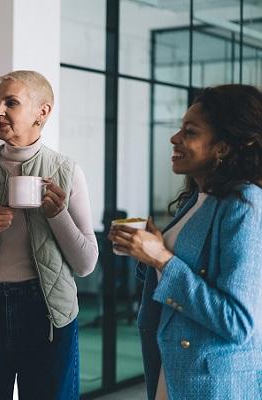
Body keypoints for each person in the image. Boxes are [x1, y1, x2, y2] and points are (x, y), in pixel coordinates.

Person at [0, 70, 98, 400]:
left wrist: (58, 215)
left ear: (43, 112)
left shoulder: (67, 171)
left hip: (48, 313)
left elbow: (86, 264)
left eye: (11, 103)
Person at [109, 84, 262, 400]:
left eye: (189, 132)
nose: (174, 138)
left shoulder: (245, 206)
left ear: (221, 147)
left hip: (213, 384)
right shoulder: (197, 198)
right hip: (175, 368)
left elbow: (236, 321)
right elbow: (179, 273)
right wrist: (147, 249)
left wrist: (160, 258)